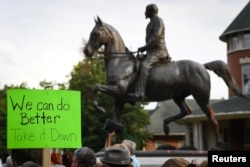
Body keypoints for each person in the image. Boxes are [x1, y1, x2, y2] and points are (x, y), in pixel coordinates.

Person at [135, 4, 171, 100]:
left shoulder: (158, 21)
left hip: (159, 51)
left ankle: (140, 92)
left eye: (146, 11)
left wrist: (144, 47)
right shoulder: (150, 23)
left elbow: (156, 37)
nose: (145, 13)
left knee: (145, 65)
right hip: (152, 52)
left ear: (151, 11)